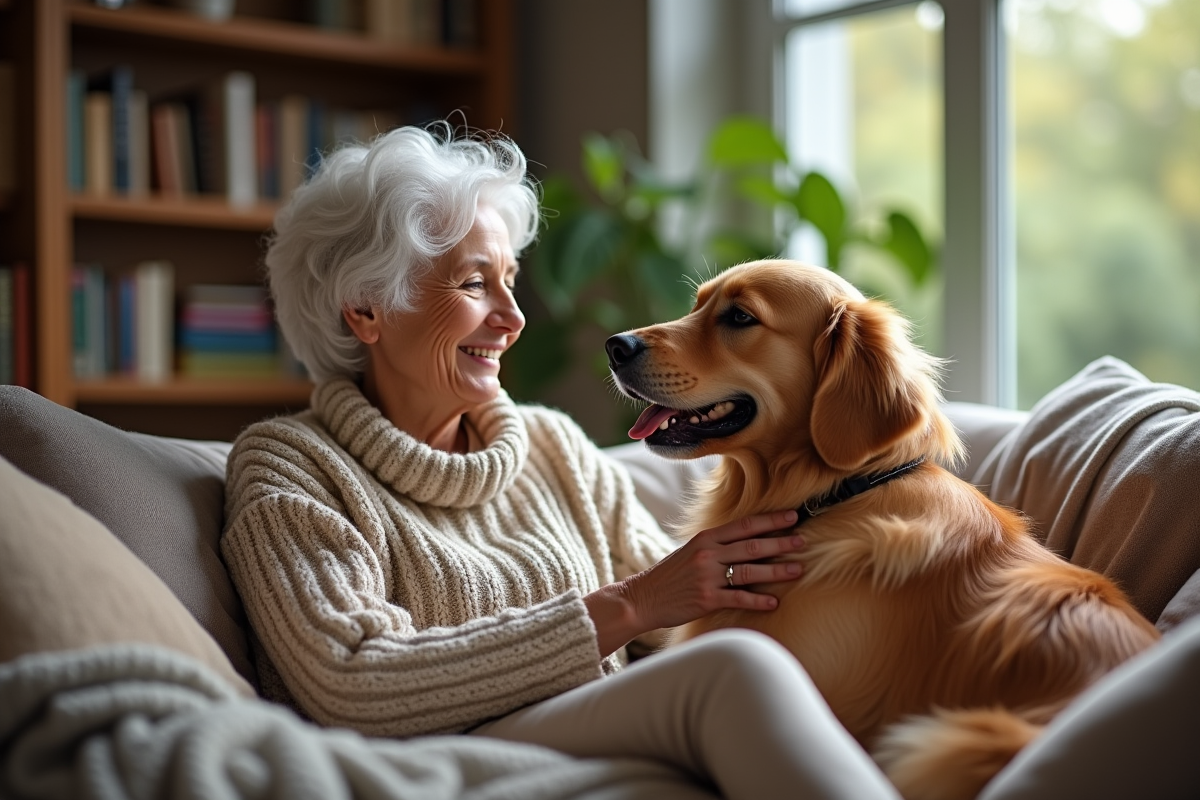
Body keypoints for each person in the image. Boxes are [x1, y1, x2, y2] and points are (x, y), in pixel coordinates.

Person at [221, 122, 902, 800]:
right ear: (367, 310)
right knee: (734, 672)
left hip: (597, 737)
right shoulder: (290, 466)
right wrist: (629, 605)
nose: (513, 317)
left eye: (509, 280)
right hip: (437, 763)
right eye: (473, 284)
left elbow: (680, 626)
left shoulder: (552, 446)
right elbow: (350, 679)